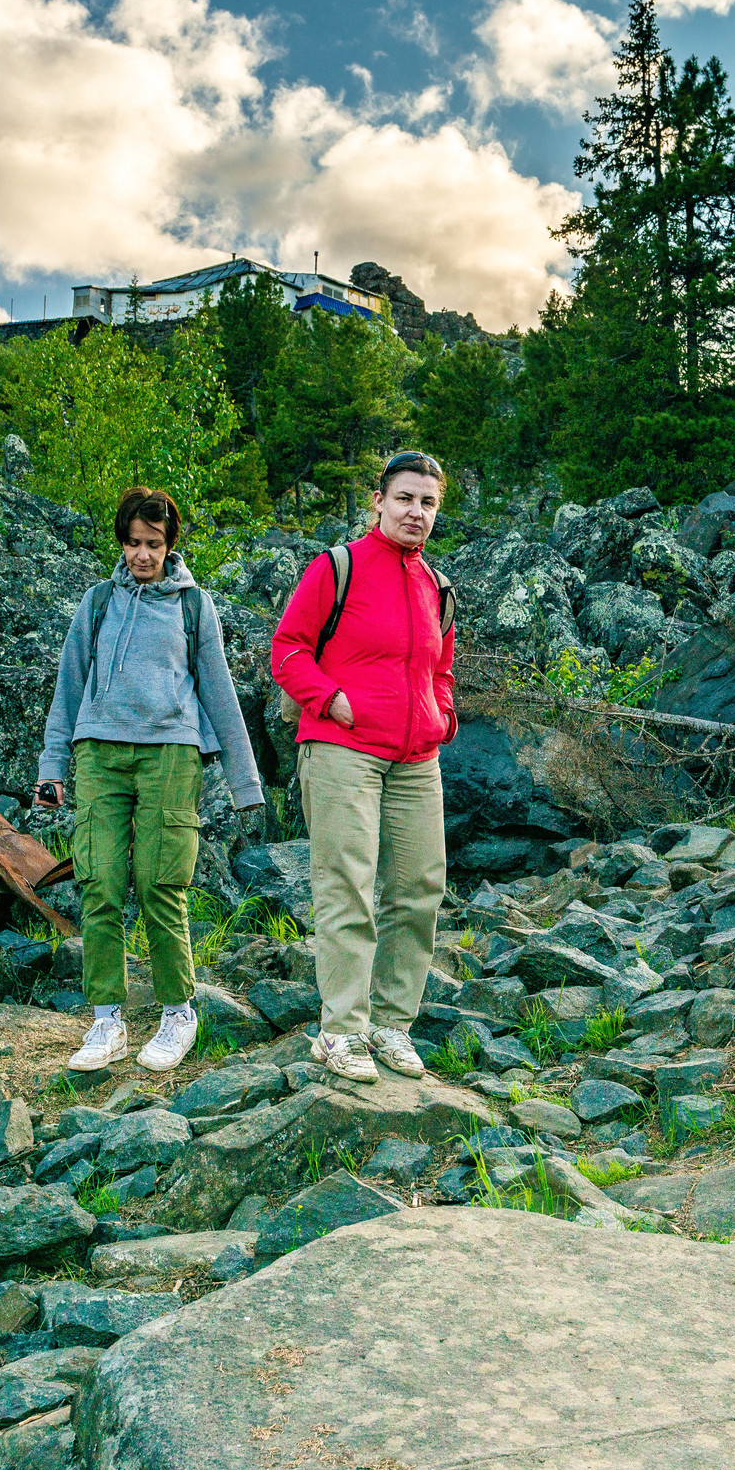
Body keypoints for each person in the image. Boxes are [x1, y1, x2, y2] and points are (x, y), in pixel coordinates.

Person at [36, 487, 263, 1074]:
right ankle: (106, 1019)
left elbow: (218, 691)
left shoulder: (195, 607)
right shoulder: (96, 604)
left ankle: (176, 1014)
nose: (143, 555)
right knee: (100, 882)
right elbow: (68, 687)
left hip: (170, 755)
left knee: (162, 884)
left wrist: (246, 786)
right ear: (121, 543)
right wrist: (51, 768)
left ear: (170, 545)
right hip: (99, 754)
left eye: (154, 545)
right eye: (134, 543)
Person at [268, 450, 457, 1084]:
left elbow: (440, 669)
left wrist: (443, 716)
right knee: (346, 886)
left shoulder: (436, 586)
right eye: (405, 498)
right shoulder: (337, 567)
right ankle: (341, 1032)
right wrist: (331, 700)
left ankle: (392, 1025)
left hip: (416, 759)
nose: (416, 512)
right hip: (343, 748)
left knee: (419, 888)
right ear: (378, 501)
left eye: (428, 502)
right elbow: (288, 648)